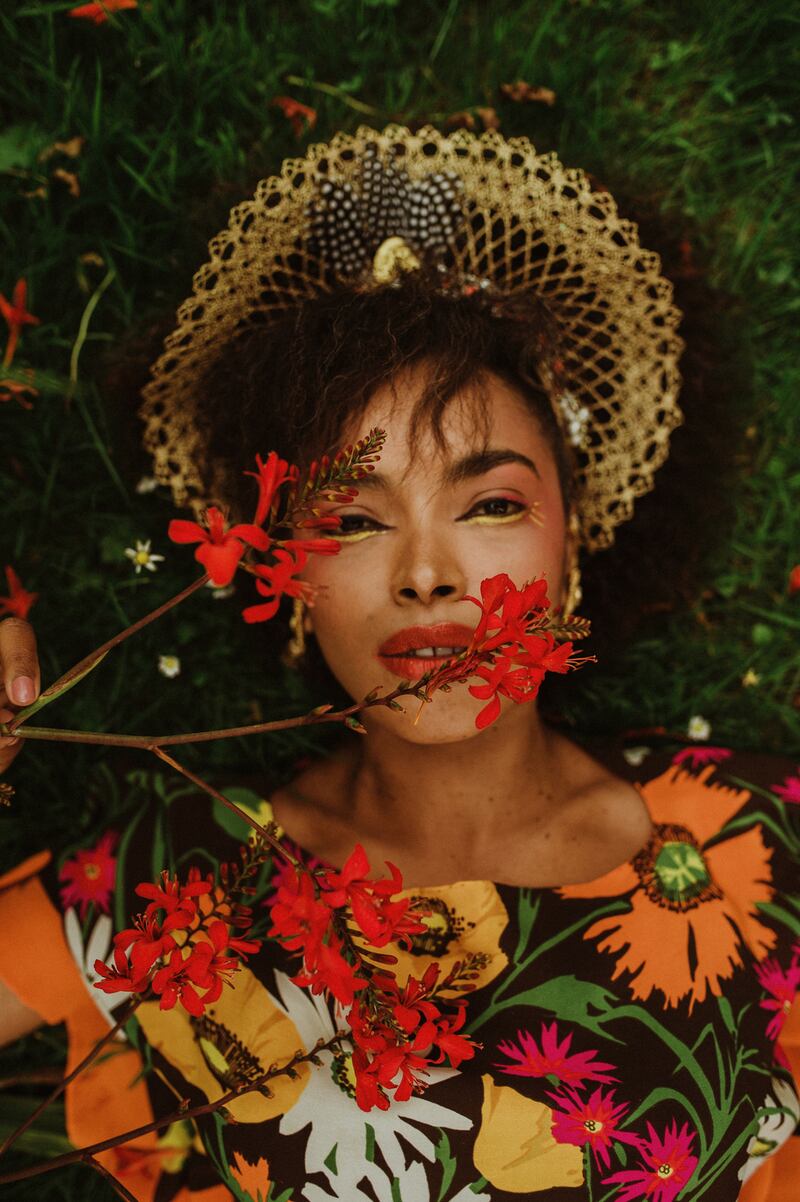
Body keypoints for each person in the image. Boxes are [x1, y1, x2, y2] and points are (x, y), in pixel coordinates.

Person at [0, 125, 798, 1202]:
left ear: (573, 536)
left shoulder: (762, 840)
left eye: (490, 504)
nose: (427, 573)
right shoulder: (176, 885)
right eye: (355, 519)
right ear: (284, 570)